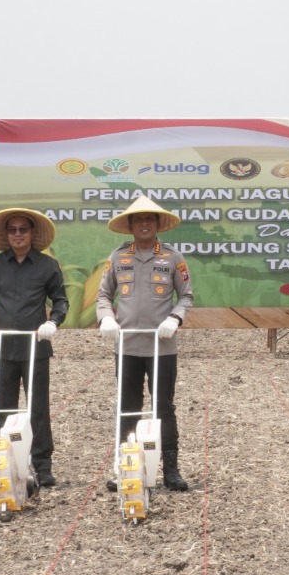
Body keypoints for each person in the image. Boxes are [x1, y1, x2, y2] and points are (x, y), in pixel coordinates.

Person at [96, 196, 194, 492]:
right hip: (126, 346)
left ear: (157, 224)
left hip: (162, 346)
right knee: (129, 407)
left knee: (163, 407)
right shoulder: (117, 257)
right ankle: (125, 466)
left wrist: (175, 319)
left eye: (149, 219)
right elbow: (103, 295)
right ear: (130, 225)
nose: (143, 224)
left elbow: (187, 296)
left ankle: (171, 470)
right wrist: (106, 320)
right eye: (138, 220)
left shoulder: (173, 257)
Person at [0, 207, 68, 487]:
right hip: (3, 348)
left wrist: (53, 322)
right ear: (6, 235)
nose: (17, 234)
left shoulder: (47, 266)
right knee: (3, 408)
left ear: (32, 233)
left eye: (22, 230)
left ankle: (42, 465)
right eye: (12, 230)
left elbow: (61, 300)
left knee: (38, 407)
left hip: (35, 348)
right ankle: (4, 460)